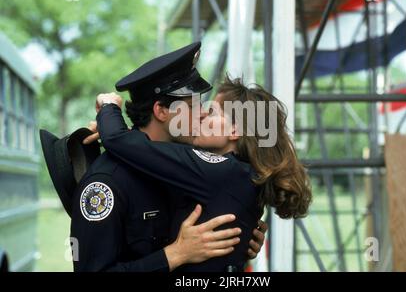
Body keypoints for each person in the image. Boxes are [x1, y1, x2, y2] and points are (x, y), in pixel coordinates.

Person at [68, 42, 266, 272]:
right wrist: (175, 255)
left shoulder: (191, 166)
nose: (203, 113)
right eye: (193, 106)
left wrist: (244, 231)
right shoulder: (107, 182)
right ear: (161, 111)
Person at [93, 76, 312, 271]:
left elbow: (119, 141)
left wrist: (109, 108)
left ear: (235, 130)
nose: (202, 114)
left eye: (213, 112)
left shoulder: (219, 170)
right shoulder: (240, 172)